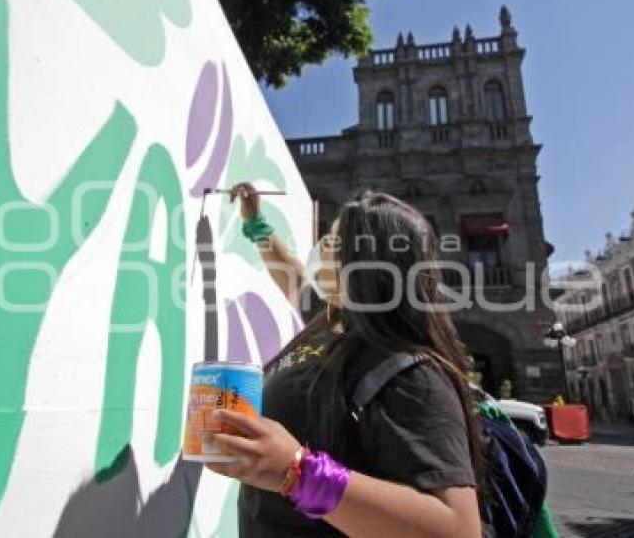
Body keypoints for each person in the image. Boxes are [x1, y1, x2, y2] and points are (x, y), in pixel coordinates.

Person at [205, 184, 487, 537]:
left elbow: (458, 530)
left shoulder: (409, 372)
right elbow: (292, 277)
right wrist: (255, 222)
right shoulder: (331, 324)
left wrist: (299, 473)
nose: (322, 249)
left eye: (335, 243)